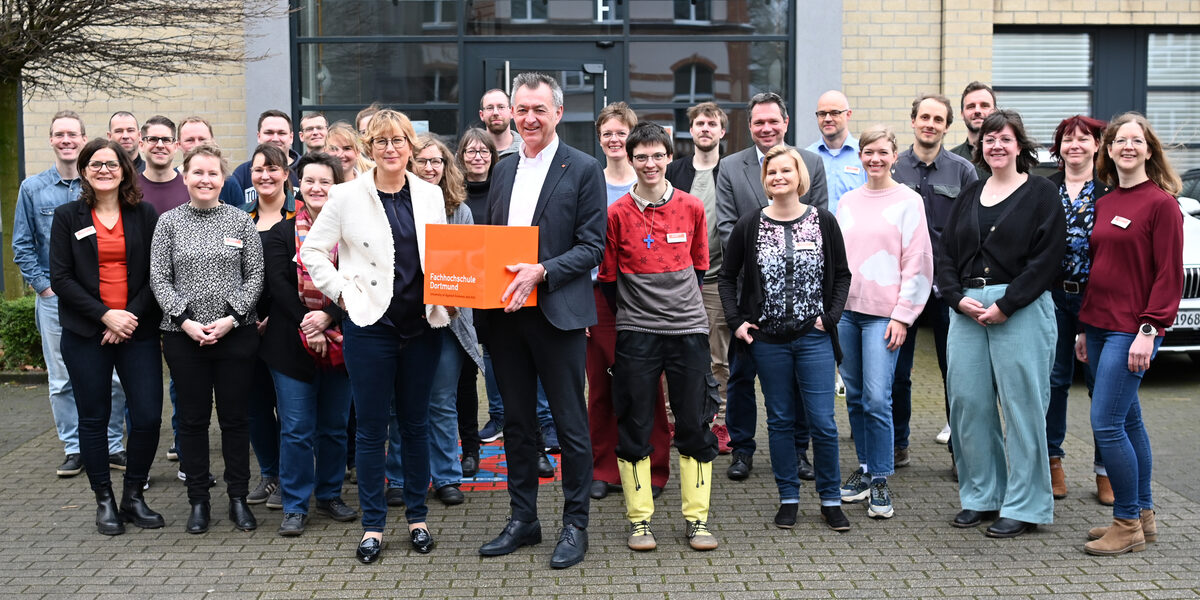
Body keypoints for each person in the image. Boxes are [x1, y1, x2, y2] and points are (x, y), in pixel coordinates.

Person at [300, 109, 449, 563]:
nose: (390, 149)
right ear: (370, 148)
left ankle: (418, 519)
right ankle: (372, 526)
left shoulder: (429, 194)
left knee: (416, 423)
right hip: (369, 326)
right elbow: (312, 252)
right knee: (369, 430)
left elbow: (442, 253)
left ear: (411, 146)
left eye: (398, 141)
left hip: (422, 325)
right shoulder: (346, 196)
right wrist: (342, 294)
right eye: (381, 141)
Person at [476, 72, 606, 570]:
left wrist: (542, 272)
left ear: (557, 113)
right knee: (517, 423)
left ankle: (575, 525)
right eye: (521, 109)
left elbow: (592, 247)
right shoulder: (504, 168)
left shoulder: (583, 168)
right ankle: (523, 520)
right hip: (507, 316)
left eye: (539, 110)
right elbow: (492, 242)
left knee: (571, 426)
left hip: (557, 314)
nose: (529, 118)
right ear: (511, 113)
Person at [939, 110, 1065, 539]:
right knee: (969, 406)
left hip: (1021, 307)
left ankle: (1026, 506)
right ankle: (981, 496)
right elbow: (945, 255)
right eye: (990, 139)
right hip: (969, 310)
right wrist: (957, 298)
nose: (996, 146)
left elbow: (1048, 258)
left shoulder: (1042, 193)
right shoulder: (970, 193)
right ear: (980, 146)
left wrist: (1007, 304)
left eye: (1005, 139)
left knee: (1023, 408)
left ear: (1019, 146)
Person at [599, 122, 719, 552]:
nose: (650, 164)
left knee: (694, 422)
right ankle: (639, 522)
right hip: (637, 334)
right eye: (641, 157)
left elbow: (700, 267)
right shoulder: (615, 214)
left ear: (670, 157)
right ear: (629, 161)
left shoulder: (692, 208)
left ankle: (698, 520)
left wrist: (676, 310)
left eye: (657, 155)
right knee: (633, 424)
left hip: (688, 332)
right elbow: (609, 279)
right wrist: (639, 314)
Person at [718, 145, 850, 532]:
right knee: (778, 420)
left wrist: (831, 317)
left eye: (786, 171)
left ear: (799, 177)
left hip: (814, 337)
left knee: (823, 423)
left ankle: (830, 499)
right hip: (768, 340)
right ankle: (788, 497)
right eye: (771, 172)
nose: (778, 177)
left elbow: (842, 275)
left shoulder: (823, 221)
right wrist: (738, 322)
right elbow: (727, 277)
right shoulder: (750, 224)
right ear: (765, 180)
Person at [1079, 112, 1183, 556]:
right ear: (1109, 149)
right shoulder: (1105, 202)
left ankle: (1125, 523)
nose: (1127, 147)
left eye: (1136, 141)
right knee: (1129, 420)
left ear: (1148, 149)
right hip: (1100, 325)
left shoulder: (1161, 204)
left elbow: (1169, 275)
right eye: (1120, 140)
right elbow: (1100, 270)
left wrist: (1150, 329)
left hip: (1132, 328)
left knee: (1105, 422)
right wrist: (1084, 328)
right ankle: (1143, 516)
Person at [49, 139, 163, 535]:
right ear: (83, 171)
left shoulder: (144, 214)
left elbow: (157, 275)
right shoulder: (67, 216)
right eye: (95, 164)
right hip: (86, 334)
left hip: (137, 330)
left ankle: (133, 495)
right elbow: (60, 278)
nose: (103, 170)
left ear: (124, 169)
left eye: (111, 164)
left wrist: (127, 316)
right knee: (94, 418)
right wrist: (105, 316)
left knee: (148, 416)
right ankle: (105, 501)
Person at [150, 143, 264, 535]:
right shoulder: (168, 223)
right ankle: (198, 500)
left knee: (235, 420)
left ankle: (237, 499)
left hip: (235, 335)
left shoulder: (240, 221)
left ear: (223, 179)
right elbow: (159, 279)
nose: (205, 179)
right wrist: (185, 321)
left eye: (212, 173)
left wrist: (232, 319)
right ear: (185, 177)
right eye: (197, 172)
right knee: (193, 421)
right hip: (185, 337)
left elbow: (255, 277)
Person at [716, 92, 827, 483]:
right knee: (742, 376)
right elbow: (727, 227)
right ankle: (742, 450)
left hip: (801, 298)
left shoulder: (810, 162)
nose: (766, 128)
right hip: (750, 294)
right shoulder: (730, 167)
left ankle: (799, 451)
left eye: (772, 121)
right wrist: (765, 259)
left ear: (786, 121)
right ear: (750, 126)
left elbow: (821, 225)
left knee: (797, 380)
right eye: (758, 122)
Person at [13, 111, 128, 478]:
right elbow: (23, 245)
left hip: (101, 300)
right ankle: (75, 447)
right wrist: (45, 287)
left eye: (73, 135)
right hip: (54, 298)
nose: (66, 140)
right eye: (59, 134)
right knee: (61, 378)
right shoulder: (33, 188)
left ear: (83, 140)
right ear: (50, 140)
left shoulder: (99, 182)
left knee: (111, 376)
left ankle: (112, 445)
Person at [834, 125, 933, 520]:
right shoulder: (847, 202)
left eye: (882, 152)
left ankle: (880, 478)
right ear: (860, 157)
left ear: (895, 156)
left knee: (878, 398)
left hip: (884, 316)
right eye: (867, 152)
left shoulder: (910, 201)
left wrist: (903, 316)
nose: (874, 159)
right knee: (855, 397)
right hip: (846, 314)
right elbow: (837, 262)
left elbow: (919, 262)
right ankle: (863, 467)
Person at [384, 133, 484, 508]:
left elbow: (470, 267)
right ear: (410, 165)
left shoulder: (459, 210)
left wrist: (456, 298)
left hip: (447, 319)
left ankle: (446, 476)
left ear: (446, 168)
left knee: (441, 402)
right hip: (402, 319)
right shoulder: (393, 205)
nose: (429, 168)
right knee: (401, 403)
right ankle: (399, 476)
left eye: (436, 162)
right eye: (422, 161)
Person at [262, 152, 359, 537]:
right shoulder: (280, 235)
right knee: (297, 428)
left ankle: (330, 494)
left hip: (342, 342)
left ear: (338, 188)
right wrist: (310, 322)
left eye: (326, 182)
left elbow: (360, 281)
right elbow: (278, 287)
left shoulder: (352, 236)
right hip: (290, 345)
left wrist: (329, 317)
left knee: (334, 427)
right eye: (310, 181)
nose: (317, 188)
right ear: (297, 186)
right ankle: (295, 504)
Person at [587, 103, 672, 501]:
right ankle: (604, 468)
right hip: (597, 298)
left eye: (621, 132)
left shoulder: (652, 183)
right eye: (607, 133)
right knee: (602, 385)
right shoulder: (590, 181)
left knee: (647, 386)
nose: (614, 140)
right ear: (600, 138)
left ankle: (653, 468)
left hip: (644, 297)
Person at [890, 93, 979, 474]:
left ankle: (962, 450)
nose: (930, 124)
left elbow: (974, 229)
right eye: (923, 117)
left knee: (956, 371)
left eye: (937, 119)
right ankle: (897, 445)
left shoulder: (962, 171)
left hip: (947, 287)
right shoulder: (892, 167)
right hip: (901, 286)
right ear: (913, 121)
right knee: (897, 372)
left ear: (947, 125)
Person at [1045, 115, 1112, 503]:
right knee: (1054, 382)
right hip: (1052, 296)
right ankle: (1053, 461)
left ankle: (1105, 471)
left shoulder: (1109, 192)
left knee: (1100, 383)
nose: (1075, 145)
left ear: (1096, 146)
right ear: (1059, 148)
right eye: (1068, 139)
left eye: (1083, 139)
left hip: (1097, 298)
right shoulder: (1042, 189)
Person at [666, 101, 732, 455]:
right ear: (690, 131)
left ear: (722, 131)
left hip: (717, 279)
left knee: (716, 357)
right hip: (677, 280)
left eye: (712, 123)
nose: (705, 128)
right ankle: (675, 419)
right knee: (673, 352)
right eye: (699, 124)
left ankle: (718, 423)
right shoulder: (674, 171)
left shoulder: (732, 170)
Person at [244, 144, 298, 509]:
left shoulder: (300, 218)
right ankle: (269, 473)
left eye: (273, 168)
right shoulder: (238, 220)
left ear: (286, 173)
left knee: (290, 408)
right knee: (255, 406)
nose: (265, 175)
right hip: (246, 327)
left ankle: (290, 478)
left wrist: (275, 318)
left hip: (286, 325)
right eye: (259, 169)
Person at [456, 128, 498, 478]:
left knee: (515, 376)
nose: (477, 156)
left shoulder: (505, 190)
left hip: (499, 297)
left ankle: (529, 446)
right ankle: (469, 450)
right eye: (470, 151)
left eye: (483, 151)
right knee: (465, 380)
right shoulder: (453, 197)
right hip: (464, 298)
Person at [220, 109, 301, 209]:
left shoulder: (306, 169)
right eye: (269, 132)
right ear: (259, 136)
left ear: (291, 137)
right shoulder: (242, 173)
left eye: (281, 133)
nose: (275, 139)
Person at [806, 90, 867, 214]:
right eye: (822, 114)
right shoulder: (806, 157)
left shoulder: (865, 154)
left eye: (834, 113)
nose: (828, 119)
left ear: (848, 114)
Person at [138, 115, 189, 215]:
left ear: (176, 146)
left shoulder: (190, 188)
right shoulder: (129, 189)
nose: (160, 145)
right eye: (152, 139)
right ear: (141, 145)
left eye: (166, 140)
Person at [950, 82, 997, 179]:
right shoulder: (950, 160)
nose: (977, 111)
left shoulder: (1008, 157)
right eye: (971, 106)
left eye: (984, 105)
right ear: (962, 114)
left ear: (995, 112)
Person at [479, 88, 523, 157]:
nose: (495, 113)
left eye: (501, 107)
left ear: (512, 112)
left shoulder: (527, 149)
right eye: (490, 108)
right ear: (482, 115)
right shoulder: (468, 152)